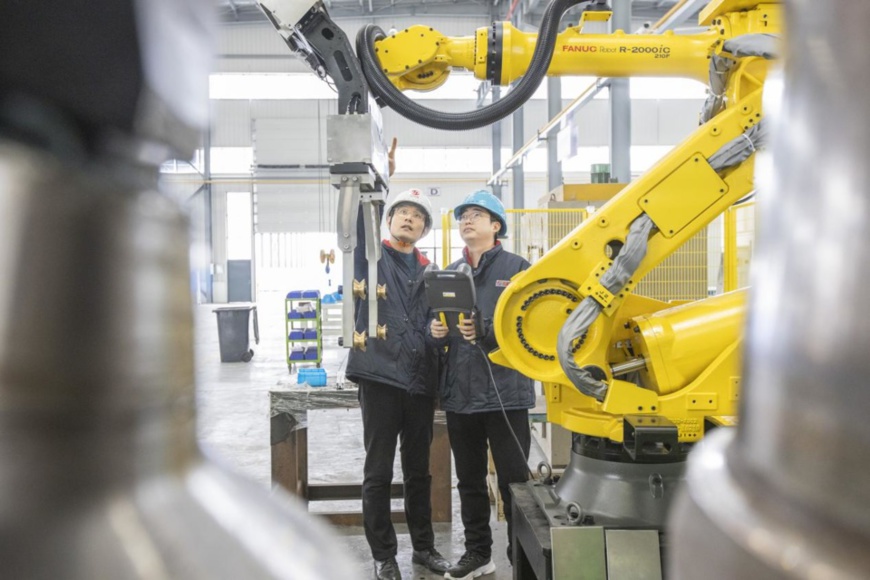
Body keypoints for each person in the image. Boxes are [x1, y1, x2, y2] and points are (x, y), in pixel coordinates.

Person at [345, 187, 450, 580]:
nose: (409, 218)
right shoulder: (370, 260)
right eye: (402, 212)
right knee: (378, 470)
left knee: (419, 471)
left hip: (420, 380)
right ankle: (383, 555)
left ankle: (423, 549)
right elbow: (357, 223)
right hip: (380, 376)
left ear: (424, 229)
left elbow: (432, 321)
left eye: (417, 215)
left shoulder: (430, 270)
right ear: (388, 221)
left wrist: (437, 333)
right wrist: (376, 182)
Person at [429, 190, 535, 580]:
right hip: (461, 395)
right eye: (463, 216)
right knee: (469, 480)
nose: (467, 221)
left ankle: (521, 556)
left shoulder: (519, 268)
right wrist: (435, 330)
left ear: (496, 225)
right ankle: (478, 553)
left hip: (506, 393)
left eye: (476, 214)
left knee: (515, 483)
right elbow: (434, 322)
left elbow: (530, 327)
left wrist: (486, 334)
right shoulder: (450, 272)